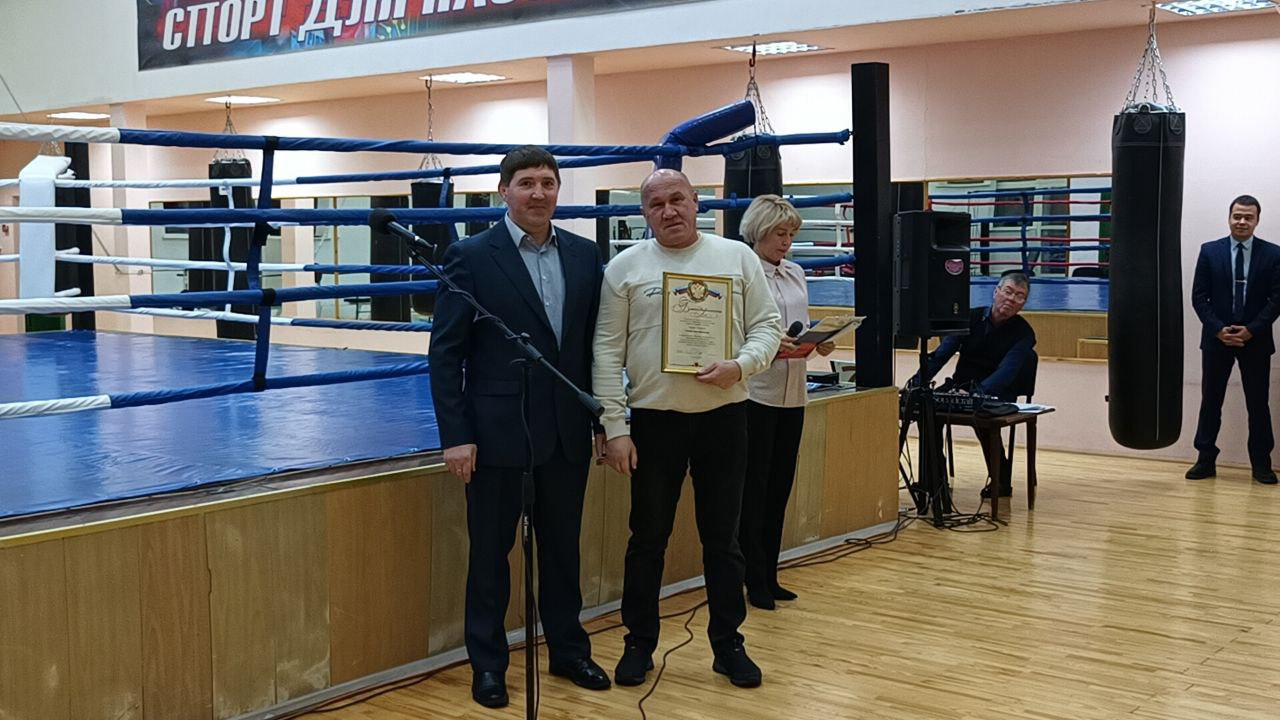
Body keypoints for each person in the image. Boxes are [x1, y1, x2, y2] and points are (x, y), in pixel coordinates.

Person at [428, 146, 610, 709]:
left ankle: (569, 651)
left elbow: (589, 349)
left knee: (563, 552)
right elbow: (446, 353)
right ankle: (488, 665)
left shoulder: (584, 255)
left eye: (548, 183)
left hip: (565, 432)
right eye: (526, 182)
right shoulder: (470, 256)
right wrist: (456, 435)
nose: (538, 193)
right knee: (490, 556)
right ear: (504, 190)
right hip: (495, 435)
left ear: (558, 190)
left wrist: (602, 419)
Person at [594, 169, 782, 689]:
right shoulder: (624, 267)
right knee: (647, 538)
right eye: (656, 204)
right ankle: (638, 643)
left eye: (677, 199)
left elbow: (767, 326)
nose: (669, 211)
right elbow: (606, 350)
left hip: (725, 416)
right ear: (644, 213)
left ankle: (728, 644)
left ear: (697, 202)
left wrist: (740, 366)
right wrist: (614, 425)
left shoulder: (736, 257)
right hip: (654, 422)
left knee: (723, 539)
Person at [737, 195, 834, 611]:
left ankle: (770, 573)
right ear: (759, 230)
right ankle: (751, 576)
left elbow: (800, 326)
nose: (787, 242)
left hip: (794, 393)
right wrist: (768, 344)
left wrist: (820, 341)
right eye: (780, 233)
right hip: (756, 393)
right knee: (754, 490)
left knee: (779, 488)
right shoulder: (743, 271)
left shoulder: (795, 272)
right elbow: (736, 331)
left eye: (792, 234)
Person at [1187, 195, 1280, 485]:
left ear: (1257, 220)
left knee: (1258, 404)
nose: (1242, 221)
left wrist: (1252, 329)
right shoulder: (1209, 251)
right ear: (1229, 217)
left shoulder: (1273, 254)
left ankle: (1261, 464)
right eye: (1237, 216)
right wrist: (1218, 329)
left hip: (1256, 340)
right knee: (1211, 401)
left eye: (1248, 217)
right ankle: (1205, 460)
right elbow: (1199, 297)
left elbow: (1277, 299)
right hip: (1217, 340)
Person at [920, 270, 1037, 498]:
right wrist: (918, 381)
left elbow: (1007, 372)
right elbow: (943, 353)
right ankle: (935, 479)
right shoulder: (970, 318)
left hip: (998, 391)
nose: (1012, 299)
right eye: (1008, 291)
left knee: (983, 416)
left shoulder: (1025, 334)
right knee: (927, 409)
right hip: (960, 386)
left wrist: (977, 394)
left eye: (1019, 296)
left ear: (1023, 303)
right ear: (996, 292)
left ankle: (1001, 482)